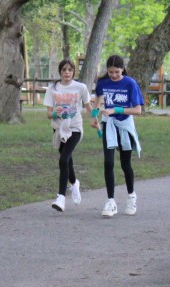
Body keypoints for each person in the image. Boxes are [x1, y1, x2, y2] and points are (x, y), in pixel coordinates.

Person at [90, 54, 144, 217]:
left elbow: (138, 110)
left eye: (117, 72)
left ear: (123, 70)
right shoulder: (103, 83)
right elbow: (98, 102)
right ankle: (111, 201)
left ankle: (131, 196)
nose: (113, 75)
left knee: (125, 164)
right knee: (108, 162)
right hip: (108, 124)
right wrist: (94, 117)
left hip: (125, 125)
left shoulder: (130, 83)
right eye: (111, 72)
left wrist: (116, 109)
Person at [43, 59, 91, 212]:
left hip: (75, 128)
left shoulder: (81, 87)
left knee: (63, 159)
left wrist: (95, 119)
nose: (67, 72)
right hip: (59, 128)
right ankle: (74, 183)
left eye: (70, 70)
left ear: (73, 72)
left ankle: (61, 198)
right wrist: (55, 113)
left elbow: (89, 107)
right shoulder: (52, 88)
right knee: (67, 160)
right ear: (60, 72)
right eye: (64, 70)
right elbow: (49, 114)